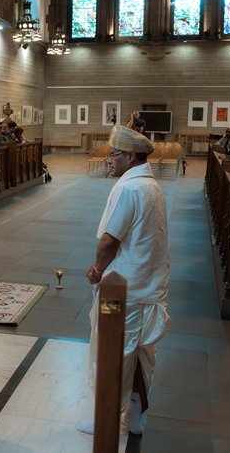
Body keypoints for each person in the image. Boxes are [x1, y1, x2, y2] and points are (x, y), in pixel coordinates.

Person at [77, 126, 171, 437]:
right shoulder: (151, 185)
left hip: (123, 288)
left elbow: (109, 240)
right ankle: (133, 415)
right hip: (148, 284)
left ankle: (105, 418)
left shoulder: (129, 188)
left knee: (113, 350)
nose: (108, 160)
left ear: (131, 156)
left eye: (113, 155)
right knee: (141, 352)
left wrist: (97, 270)